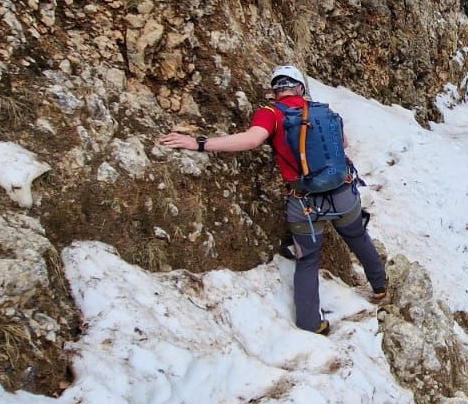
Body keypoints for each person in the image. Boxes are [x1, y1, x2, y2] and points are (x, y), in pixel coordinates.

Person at [158, 66, 387, 334]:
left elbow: (252, 139)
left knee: (308, 260)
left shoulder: (272, 113)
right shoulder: (323, 111)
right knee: (358, 237)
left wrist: (198, 143)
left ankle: (312, 323)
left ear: (274, 91)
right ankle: (380, 287)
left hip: (305, 204)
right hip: (344, 194)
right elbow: (343, 144)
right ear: (301, 88)